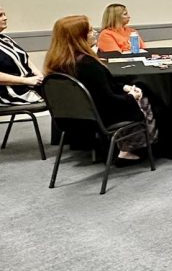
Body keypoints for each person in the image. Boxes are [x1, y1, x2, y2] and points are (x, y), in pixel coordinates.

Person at [43, 15, 157, 162]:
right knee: (144, 97)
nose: (95, 33)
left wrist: (125, 87)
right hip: (101, 117)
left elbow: (100, 87)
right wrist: (132, 97)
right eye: (90, 31)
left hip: (70, 119)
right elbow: (108, 100)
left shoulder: (56, 63)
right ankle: (130, 149)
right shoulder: (88, 64)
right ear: (79, 37)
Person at [0, 6, 44, 105]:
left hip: (26, 85)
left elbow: (25, 59)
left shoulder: (5, 39)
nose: (5, 18)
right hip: (8, 92)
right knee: (58, 100)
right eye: (0, 15)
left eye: (4, 14)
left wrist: (39, 75)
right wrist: (26, 81)